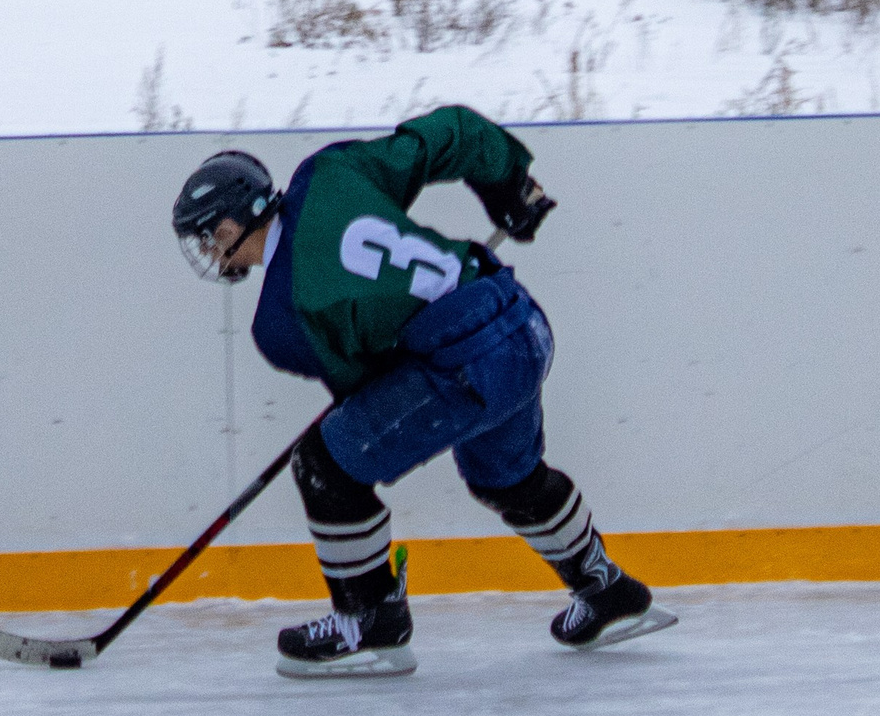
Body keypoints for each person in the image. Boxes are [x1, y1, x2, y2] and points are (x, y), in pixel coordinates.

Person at [170, 105, 674, 677]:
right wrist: (508, 184)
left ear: (238, 220)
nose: (209, 249)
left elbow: (367, 386)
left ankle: (370, 625)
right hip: (519, 321)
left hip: (467, 361)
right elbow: (449, 132)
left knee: (326, 467)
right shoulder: (329, 173)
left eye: (210, 233)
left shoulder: (279, 323)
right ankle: (607, 590)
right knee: (507, 478)